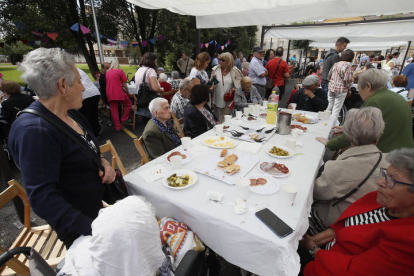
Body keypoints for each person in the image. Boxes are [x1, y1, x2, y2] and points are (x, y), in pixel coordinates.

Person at [8, 48, 116, 248]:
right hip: (80, 227)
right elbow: (43, 199)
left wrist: (102, 163)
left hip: (95, 210)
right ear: (63, 86)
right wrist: (94, 229)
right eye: (79, 80)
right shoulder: (35, 132)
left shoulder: (70, 113)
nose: (84, 88)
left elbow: (88, 149)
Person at [300, 148, 414, 276]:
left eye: (392, 179)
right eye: (385, 174)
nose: (380, 182)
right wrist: (314, 240)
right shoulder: (380, 199)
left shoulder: (408, 242)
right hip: (325, 251)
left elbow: (351, 271)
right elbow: (343, 226)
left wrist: (313, 249)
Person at [309, 107, 388, 234]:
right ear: (377, 138)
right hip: (371, 227)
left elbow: (315, 194)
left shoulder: (337, 168)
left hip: (336, 226)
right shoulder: (390, 162)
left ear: (348, 137)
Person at [317, 69, 414, 152]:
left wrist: (330, 143)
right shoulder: (396, 97)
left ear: (368, 86)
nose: (358, 92)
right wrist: (346, 127)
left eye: (359, 88)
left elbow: (356, 133)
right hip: (405, 151)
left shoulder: (374, 101)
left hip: (388, 155)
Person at [211, 52, 243, 122]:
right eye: (219, 59)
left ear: (229, 61)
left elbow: (240, 86)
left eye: (223, 60)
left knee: (227, 119)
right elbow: (211, 85)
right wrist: (213, 80)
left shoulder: (235, 71)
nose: (220, 61)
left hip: (229, 99)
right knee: (217, 119)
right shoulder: (216, 69)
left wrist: (235, 89)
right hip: (217, 98)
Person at [135, 52, 165, 119]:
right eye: (155, 60)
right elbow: (155, 88)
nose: (156, 62)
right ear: (152, 61)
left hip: (141, 99)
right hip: (150, 100)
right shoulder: (151, 71)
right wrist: (161, 90)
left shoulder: (139, 70)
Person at [326, 49, 355, 121]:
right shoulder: (348, 65)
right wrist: (349, 87)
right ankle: (332, 125)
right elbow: (347, 79)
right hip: (341, 89)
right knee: (336, 109)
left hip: (331, 87)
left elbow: (328, 76)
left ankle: (324, 120)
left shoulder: (336, 64)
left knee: (329, 106)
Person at [106, 59, 132, 132]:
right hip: (119, 93)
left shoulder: (107, 72)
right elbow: (124, 84)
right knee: (129, 104)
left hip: (110, 93)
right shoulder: (119, 71)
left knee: (114, 110)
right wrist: (127, 92)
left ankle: (117, 127)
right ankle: (124, 118)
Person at [77, 68, 101, 137]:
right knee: (94, 114)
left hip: (85, 95)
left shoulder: (69, 71)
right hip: (94, 92)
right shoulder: (78, 70)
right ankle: (96, 133)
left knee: (85, 116)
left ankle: (90, 135)